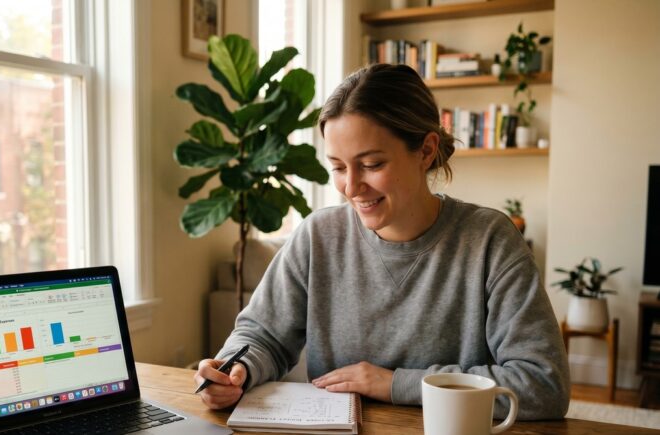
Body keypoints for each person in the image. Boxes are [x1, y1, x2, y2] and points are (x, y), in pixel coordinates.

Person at [194, 63, 570, 420]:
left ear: (425, 151)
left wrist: (394, 383)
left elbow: (544, 384)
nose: (352, 187)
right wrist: (234, 369)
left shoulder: (490, 240)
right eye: (339, 168)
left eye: (372, 165)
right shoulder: (317, 237)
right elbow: (261, 337)